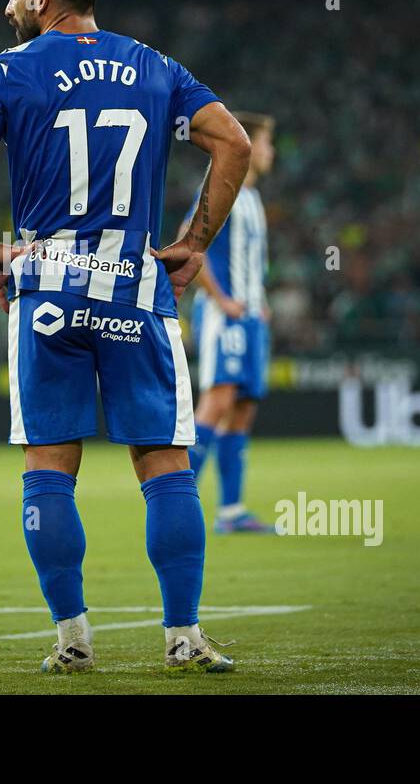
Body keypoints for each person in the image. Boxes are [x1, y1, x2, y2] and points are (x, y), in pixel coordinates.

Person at [0, 0, 250, 673]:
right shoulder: (153, 64)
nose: (9, 3)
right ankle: (184, 637)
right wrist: (193, 241)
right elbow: (232, 145)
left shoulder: (8, 72)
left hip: (46, 282)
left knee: (49, 466)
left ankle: (73, 640)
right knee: (165, 463)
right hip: (134, 285)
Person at [183, 112, 276, 533]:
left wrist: (259, 301)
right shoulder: (226, 189)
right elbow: (189, 241)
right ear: (248, 145)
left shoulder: (253, 198)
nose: (271, 152)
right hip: (226, 317)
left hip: (252, 317)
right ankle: (177, 500)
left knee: (242, 409)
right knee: (217, 401)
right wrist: (221, 298)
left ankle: (232, 511)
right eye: (267, 143)